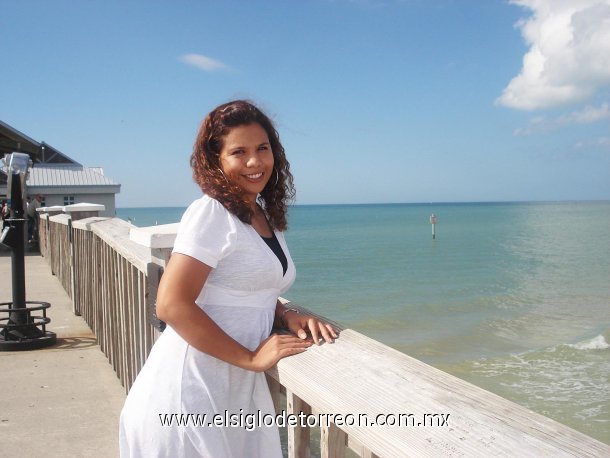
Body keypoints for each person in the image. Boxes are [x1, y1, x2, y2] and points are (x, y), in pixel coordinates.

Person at [119, 100, 338, 457]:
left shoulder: (259, 213)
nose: (255, 162)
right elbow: (171, 304)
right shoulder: (212, 212)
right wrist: (251, 359)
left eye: (262, 148)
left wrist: (282, 314)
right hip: (190, 395)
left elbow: (241, 288)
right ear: (216, 160)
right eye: (239, 151)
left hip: (232, 394)